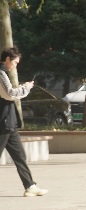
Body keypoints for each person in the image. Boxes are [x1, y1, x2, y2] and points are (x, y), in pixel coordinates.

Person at [0, 47, 48, 197]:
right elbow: (10, 94)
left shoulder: (3, 73)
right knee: (19, 156)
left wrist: (22, 87)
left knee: (20, 156)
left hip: (9, 123)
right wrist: (26, 88)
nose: (15, 66)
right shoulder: (1, 73)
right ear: (7, 59)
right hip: (4, 123)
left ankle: (30, 186)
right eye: (15, 62)